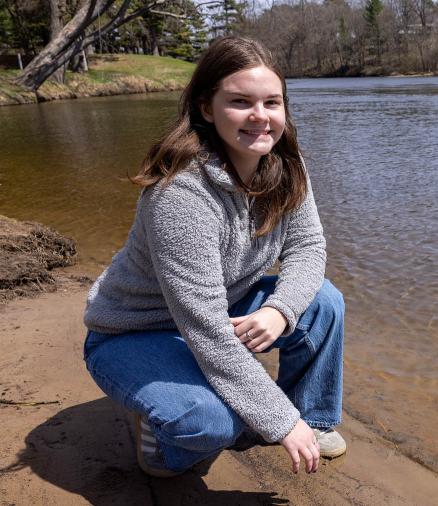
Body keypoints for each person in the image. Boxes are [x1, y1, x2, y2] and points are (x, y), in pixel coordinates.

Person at [82, 37, 345, 478]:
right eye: (240, 102)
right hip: (135, 331)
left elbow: (308, 247)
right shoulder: (180, 195)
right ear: (207, 108)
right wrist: (276, 420)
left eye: (272, 102)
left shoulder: (286, 163)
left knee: (323, 303)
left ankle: (311, 419)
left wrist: (280, 312)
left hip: (219, 310)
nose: (260, 116)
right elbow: (204, 328)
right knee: (210, 423)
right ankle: (163, 442)